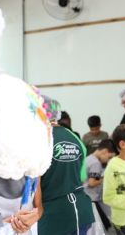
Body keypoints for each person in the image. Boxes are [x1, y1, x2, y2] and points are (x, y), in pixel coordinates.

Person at [0, 5, 52, 233]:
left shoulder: (6, 89)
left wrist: (34, 212)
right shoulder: (16, 88)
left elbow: (31, 166)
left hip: (13, 216)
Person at [38, 96, 95, 235]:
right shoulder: (74, 137)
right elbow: (81, 176)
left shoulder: (40, 138)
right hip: (81, 212)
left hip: (54, 217)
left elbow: (35, 182)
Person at [84, 139, 116, 231]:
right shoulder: (95, 163)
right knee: (102, 226)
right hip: (92, 198)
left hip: (88, 197)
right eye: (109, 157)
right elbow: (92, 182)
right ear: (105, 151)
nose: (108, 160)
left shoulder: (89, 158)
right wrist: (106, 177)